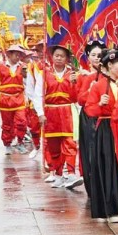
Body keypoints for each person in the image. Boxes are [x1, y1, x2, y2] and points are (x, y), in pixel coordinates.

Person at [85, 49, 118, 223]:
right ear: (109, 65)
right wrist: (99, 104)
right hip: (105, 127)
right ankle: (111, 209)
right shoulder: (98, 85)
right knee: (109, 167)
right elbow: (89, 110)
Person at [33, 45, 81, 187]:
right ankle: (58, 174)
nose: (59, 58)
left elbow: (77, 96)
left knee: (70, 143)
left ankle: (71, 173)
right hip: (51, 112)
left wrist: (74, 83)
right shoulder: (44, 74)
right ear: (52, 57)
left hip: (67, 111)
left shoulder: (72, 74)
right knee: (54, 145)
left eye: (62, 56)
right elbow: (38, 95)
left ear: (67, 59)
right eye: (56, 55)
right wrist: (40, 114)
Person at [74, 42, 105, 192]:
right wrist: (92, 90)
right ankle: (93, 184)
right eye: (94, 55)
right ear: (88, 57)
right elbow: (80, 99)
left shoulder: (114, 76)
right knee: (91, 151)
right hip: (89, 118)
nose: (97, 58)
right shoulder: (86, 77)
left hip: (107, 117)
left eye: (100, 55)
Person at [0, 45, 30, 153]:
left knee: (22, 121)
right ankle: (7, 144)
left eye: (19, 54)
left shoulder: (23, 67)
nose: (18, 56)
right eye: (16, 54)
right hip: (5, 99)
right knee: (7, 124)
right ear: (9, 55)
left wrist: (26, 76)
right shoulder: (0, 66)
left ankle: (20, 142)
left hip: (19, 98)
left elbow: (28, 82)